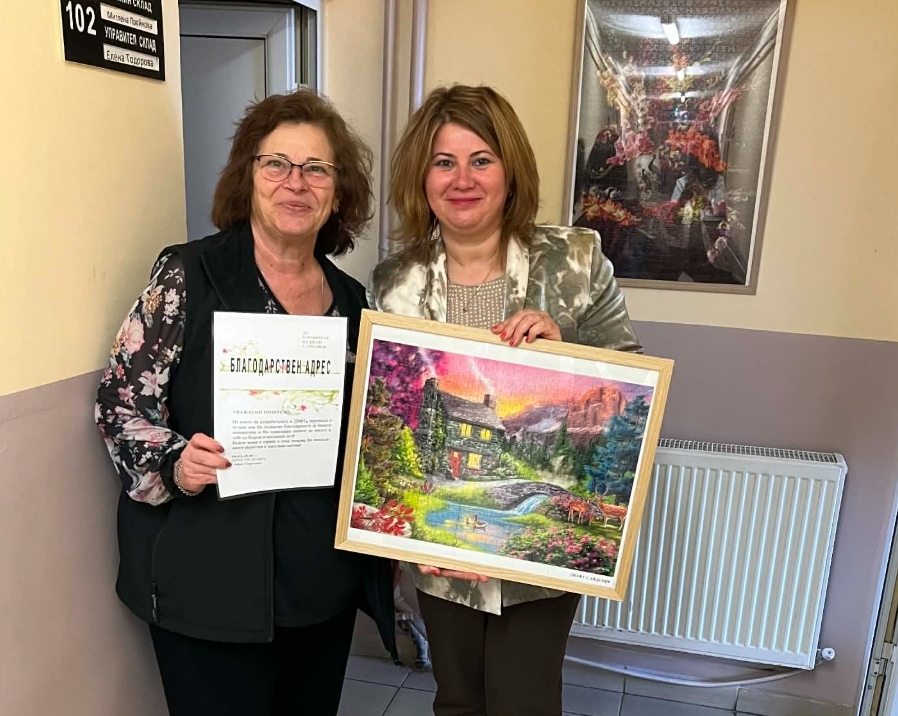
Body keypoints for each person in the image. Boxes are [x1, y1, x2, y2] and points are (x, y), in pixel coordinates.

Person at [95, 89, 396, 716]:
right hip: (206, 586)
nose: (296, 183)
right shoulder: (188, 276)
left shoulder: (353, 302)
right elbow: (120, 402)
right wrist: (177, 463)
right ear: (248, 176)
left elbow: (373, 437)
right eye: (276, 163)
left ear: (338, 191)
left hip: (321, 588)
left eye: (317, 168)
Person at [368, 84, 642, 716]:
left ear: (510, 170)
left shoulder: (575, 261)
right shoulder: (393, 285)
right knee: (457, 699)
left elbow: (629, 391)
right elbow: (383, 409)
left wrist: (567, 347)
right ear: (422, 178)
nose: (462, 179)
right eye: (444, 162)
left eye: (481, 160)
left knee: (523, 701)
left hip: (534, 570)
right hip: (437, 552)